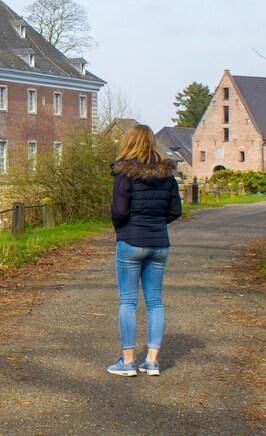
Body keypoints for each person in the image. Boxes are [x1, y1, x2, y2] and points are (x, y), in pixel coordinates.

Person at [106, 124, 182, 377]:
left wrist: (123, 229)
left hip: (131, 240)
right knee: (155, 302)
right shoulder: (167, 174)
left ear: (129, 142)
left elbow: (118, 210)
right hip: (159, 243)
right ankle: (151, 361)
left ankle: (128, 362)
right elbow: (175, 211)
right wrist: (156, 224)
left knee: (128, 301)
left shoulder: (124, 172)